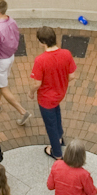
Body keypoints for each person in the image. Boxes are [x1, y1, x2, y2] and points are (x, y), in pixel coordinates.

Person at [31, 26, 75, 160]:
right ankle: (60, 137)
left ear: (42, 42)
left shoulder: (40, 60)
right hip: (59, 94)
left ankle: (57, 153)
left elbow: (37, 83)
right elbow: (72, 75)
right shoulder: (66, 53)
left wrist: (31, 92)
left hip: (46, 98)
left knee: (50, 125)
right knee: (56, 114)